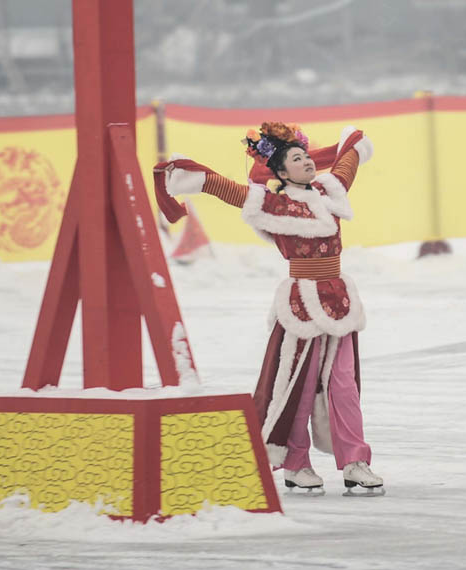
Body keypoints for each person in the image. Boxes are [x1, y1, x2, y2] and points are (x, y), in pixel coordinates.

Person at [154, 122, 384, 496]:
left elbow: (345, 167)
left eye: (307, 156)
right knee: (299, 385)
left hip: (340, 302)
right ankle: (296, 462)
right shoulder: (276, 206)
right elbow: (230, 191)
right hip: (303, 304)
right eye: (297, 159)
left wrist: (355, 145)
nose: (308, 162)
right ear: (280, 172)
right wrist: (194, 179)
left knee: (344, 384)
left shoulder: (328, 192)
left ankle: (356, 461)